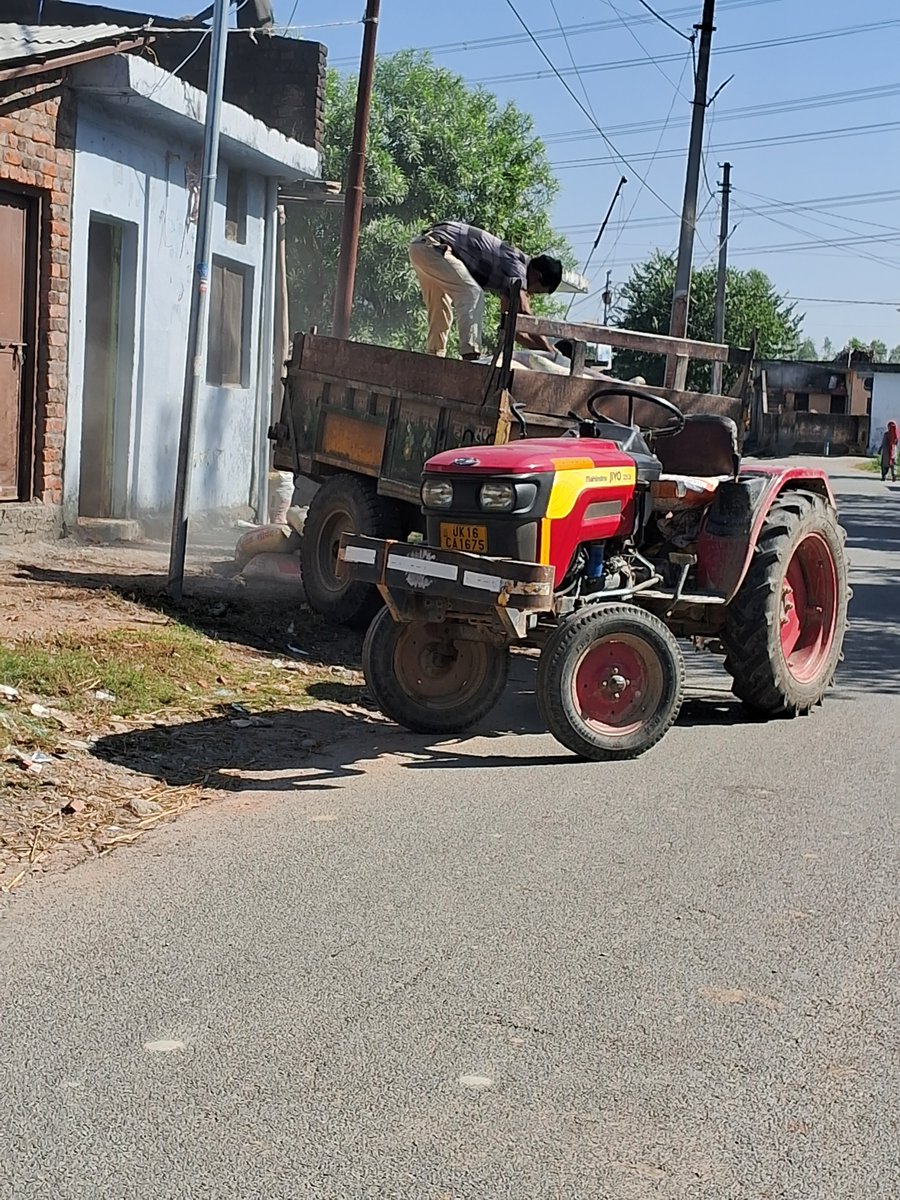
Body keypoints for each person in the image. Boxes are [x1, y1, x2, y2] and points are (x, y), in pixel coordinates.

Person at [408, 221, 563, 360]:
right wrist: (551, 350)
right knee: (472, 293)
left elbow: (514, 331)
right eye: (537, 291)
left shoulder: (511, 279)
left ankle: (434, 357)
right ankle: (471, 355)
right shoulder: (518, 267)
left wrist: (546, 354)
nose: (531, 294)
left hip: (421, 248)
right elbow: (525, 315)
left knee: (440, 305)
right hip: (435, 246)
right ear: (537, 276)